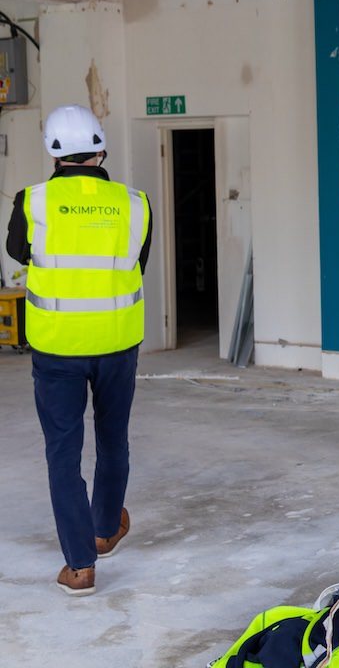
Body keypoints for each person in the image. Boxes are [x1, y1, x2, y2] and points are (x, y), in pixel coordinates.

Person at [5, 105, 152, 596]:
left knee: (62, 453)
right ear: (100, 147)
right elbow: (138, 261)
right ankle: (106, 529)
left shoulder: (32, 201)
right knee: (113, 439)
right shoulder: (135, 203)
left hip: (57, 346)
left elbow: (17, 250)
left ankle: (81, 565)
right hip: (116, 341)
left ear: (52, 152)